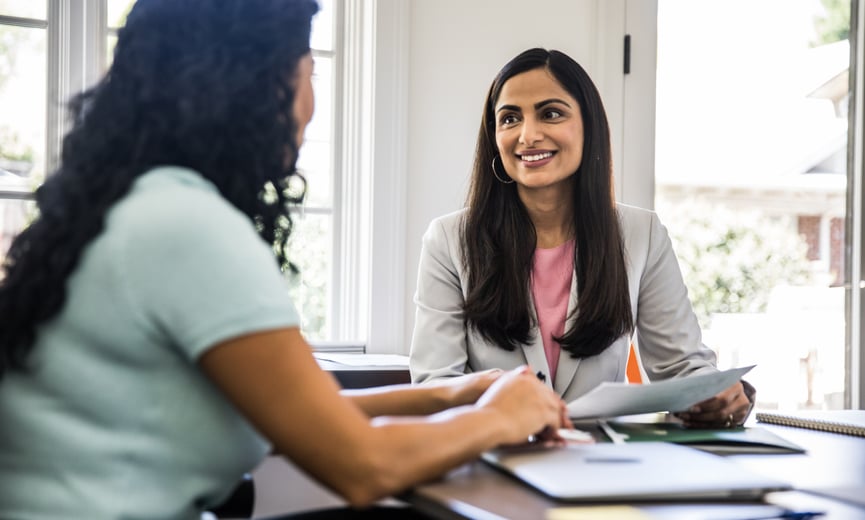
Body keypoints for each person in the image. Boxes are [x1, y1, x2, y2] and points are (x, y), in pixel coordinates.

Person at [0, 3, 571, 519]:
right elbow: (363, 465)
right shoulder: (187, 227)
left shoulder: (137, 204)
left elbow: (298, 409)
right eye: (310, 73)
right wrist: (502, 416)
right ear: (255, 85)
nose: (312, 104)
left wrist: (452, 394)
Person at [409, 47, 755, 430]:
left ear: (588, 126)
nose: (528, 135)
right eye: (510, 119)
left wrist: (715, 395)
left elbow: (681, 366)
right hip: (493, 461)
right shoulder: (448, 241)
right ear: (494, 137)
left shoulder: (642, 234)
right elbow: (434, 386)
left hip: (603, 466)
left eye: (551, 113)